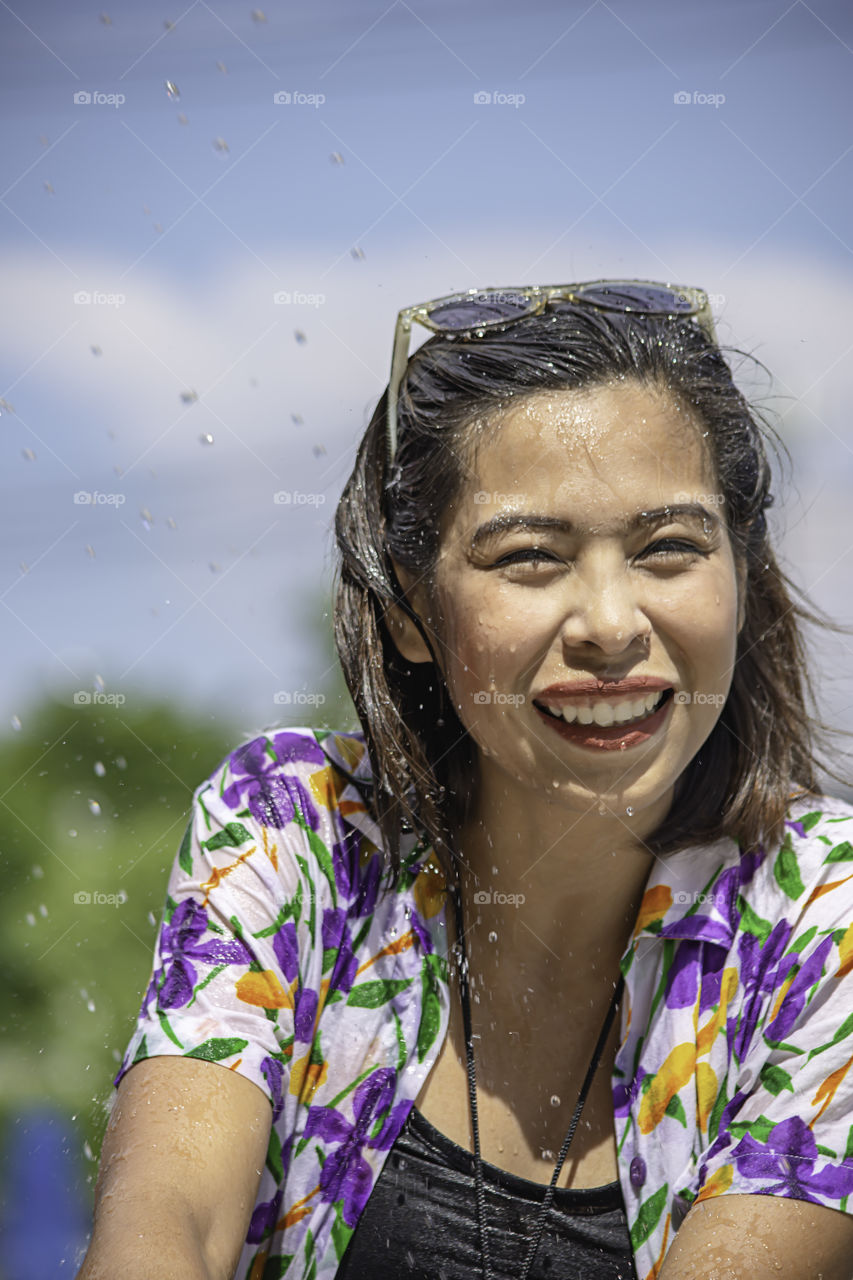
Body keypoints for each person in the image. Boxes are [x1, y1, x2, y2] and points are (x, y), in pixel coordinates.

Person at [75, 281, 853, 1280]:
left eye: (669, 548)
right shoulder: (296, 828)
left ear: (742, 574)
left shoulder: (819, 918)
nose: (610, 624)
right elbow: (164, 1221)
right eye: (529, 558)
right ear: (409, 609)